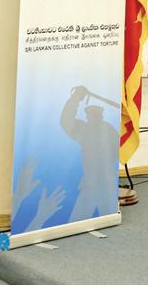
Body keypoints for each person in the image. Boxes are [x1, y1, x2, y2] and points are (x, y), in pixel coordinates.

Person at [60, 86, 119, 221]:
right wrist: (75, 100)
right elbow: (66, 121)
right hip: (94, 182)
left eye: (95, 115)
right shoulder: (88, 129)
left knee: (107, 218)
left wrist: (75, 99)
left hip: (102, 181)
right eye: (92, 115)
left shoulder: (106, 130)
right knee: (79, 220)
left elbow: (66, 121)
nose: (93, 117)